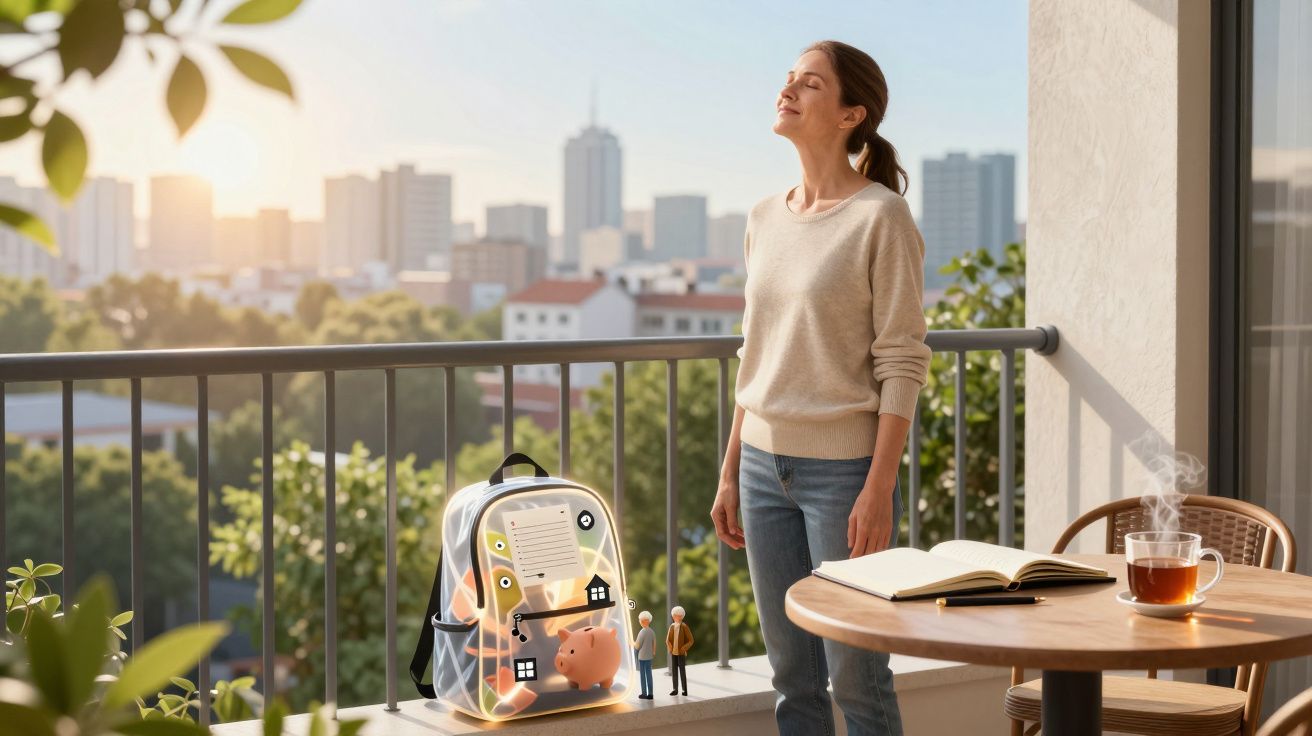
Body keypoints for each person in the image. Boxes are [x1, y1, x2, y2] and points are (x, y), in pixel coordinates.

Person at [709, 40, 931, 736]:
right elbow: (757, 355)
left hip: (843, 477)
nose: (789, 91)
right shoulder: (763, 218)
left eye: (809, 84)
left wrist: (879, 485)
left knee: (857, 680)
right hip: (760, 469)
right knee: (792, 680)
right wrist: (729, 472)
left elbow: (903, 360)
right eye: (788, 81)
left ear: (849, 114)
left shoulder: (880, 218)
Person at [665, 605, 693, 696]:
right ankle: (675, 689)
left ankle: (684, 690)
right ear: (673, 616)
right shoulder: (672, 627)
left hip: (680, 653)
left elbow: (691, 640)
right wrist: (669, 647)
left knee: (682, 671)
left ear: (682, 616)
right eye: (675, 615)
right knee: (674, 671)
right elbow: (668, 639)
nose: (677, 617)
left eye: (679, 615)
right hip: (673, 652)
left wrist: (684, 648)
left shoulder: (684, 626)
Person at [632, 610, 655, 700]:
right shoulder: (652, 632)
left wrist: (631, 643)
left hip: (642, 657)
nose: (640, 622)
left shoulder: (642, 632)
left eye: (641, 620)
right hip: (649, 656)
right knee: (649, 674)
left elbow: (637, 645)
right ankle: (651, 694)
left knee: (642, 675)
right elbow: (654, 644)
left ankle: (644, 693)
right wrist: (653, 652)